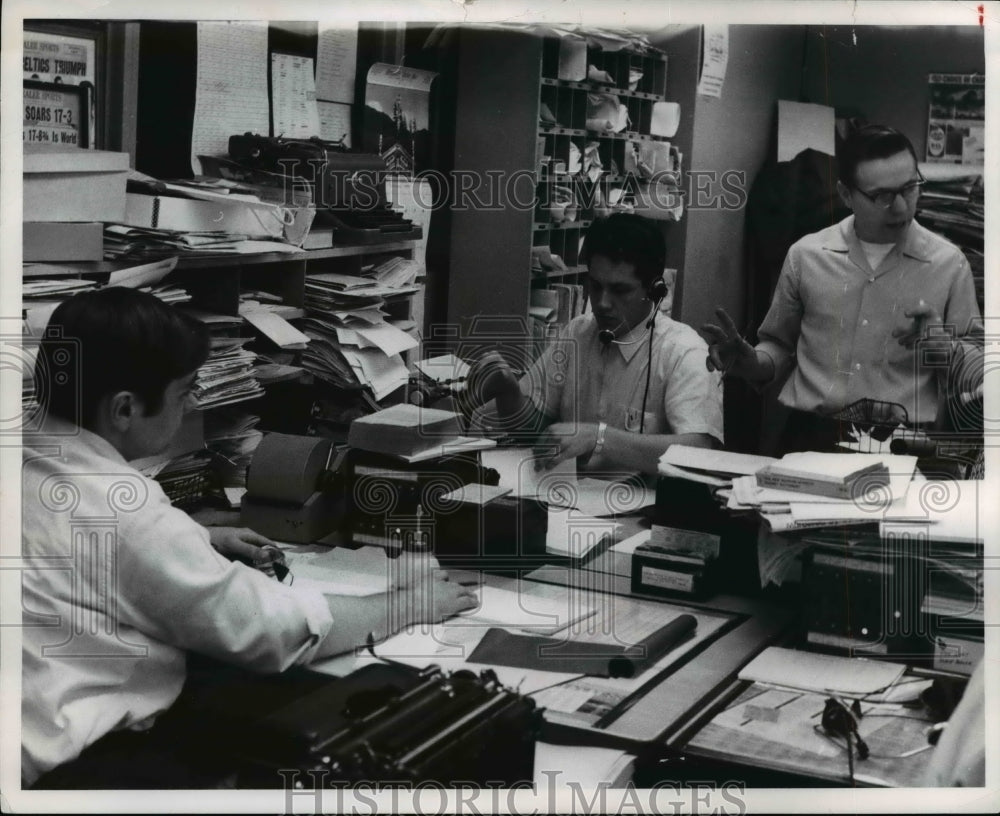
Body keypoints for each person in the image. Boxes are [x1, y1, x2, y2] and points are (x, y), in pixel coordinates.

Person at [21, 287, 476, 788]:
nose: (192, 404)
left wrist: (195, 538)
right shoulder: (124, 510)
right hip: (77, 770)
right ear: (124, 409)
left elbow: (69, 538)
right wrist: (408, 603)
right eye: (184, 392)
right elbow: (273, 631)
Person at [702, 124, 981, 452]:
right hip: (812, 436)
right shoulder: (806, 256)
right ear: (847, 194)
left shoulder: (949, 264)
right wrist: (754, 362)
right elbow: (779, 346)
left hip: (902, 444)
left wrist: (941, 344)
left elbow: (979, 374)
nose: (902, 207)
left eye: (909, 188)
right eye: (882, 196)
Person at [469, 213, 723, 476]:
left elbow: (700, 450)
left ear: (654, 290)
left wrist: (600, 438)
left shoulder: (684, 352)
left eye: (620, 290)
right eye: (595, 286)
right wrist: (508, 393)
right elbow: (533, 432)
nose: (601, 303)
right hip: (566, 500)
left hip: (644, 511)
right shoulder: (579, 333)